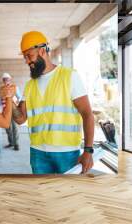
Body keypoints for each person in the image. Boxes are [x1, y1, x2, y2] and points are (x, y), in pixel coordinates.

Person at [11, 31, 95, 174]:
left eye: (29, 56)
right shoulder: (30, 85)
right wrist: (9, 99)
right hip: (38, 152)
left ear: (42, 51)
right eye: (25, 57)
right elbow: (20, 119)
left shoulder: (69, 76)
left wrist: (88, 150)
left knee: (67, 194)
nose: (26, 61)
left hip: (66, 153)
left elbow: (87, 114)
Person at [1, 73, 22, 151]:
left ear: (10, 79)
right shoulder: (2, 89)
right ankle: (11, 143)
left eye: (7, 79)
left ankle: (16, 144)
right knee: (7, 127)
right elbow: (1, 99)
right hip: (5, 110)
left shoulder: (15, 88)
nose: (6, 80)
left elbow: (19, 98)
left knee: (15, 127)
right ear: (3, 81)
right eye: (4, 79)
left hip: (13, 110)